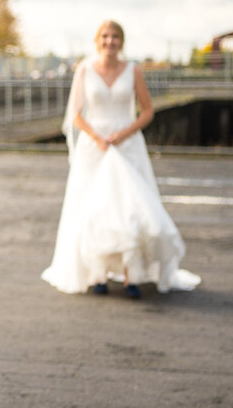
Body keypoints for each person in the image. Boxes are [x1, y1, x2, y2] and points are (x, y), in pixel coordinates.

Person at [41, 20, 200, 298]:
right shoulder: (84, 69)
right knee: (93, 207)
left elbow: (147, 111)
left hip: (126, 145)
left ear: (122, 42)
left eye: (115, 37)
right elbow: (75, 114)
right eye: (104, 36)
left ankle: (132, 274)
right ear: (96, 40)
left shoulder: (133, 71)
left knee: (131, 207)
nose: (109, 41)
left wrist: (124, 134)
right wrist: (95, 136)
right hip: (95, 147)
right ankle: (97, 272)